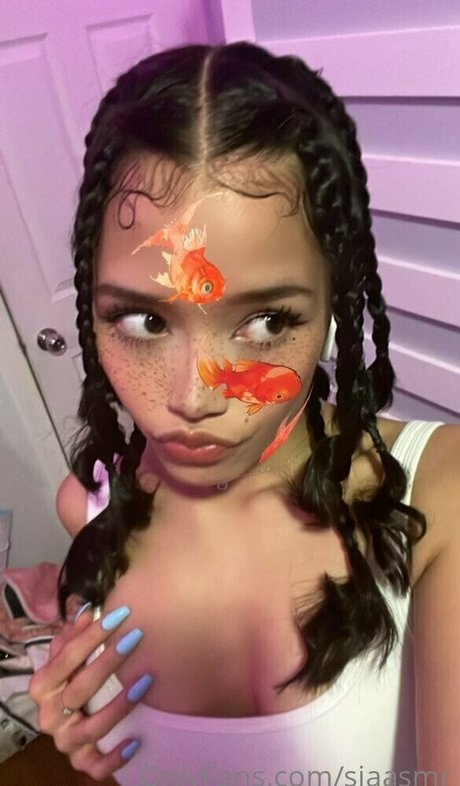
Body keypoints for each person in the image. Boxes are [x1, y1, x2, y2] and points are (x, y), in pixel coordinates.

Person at [29, 42, 460, 784]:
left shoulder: (438, 498)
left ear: (333, 301)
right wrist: (91, 732)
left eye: (266, 322)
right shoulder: (90, 508)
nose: (194, 400)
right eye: (145, 321)